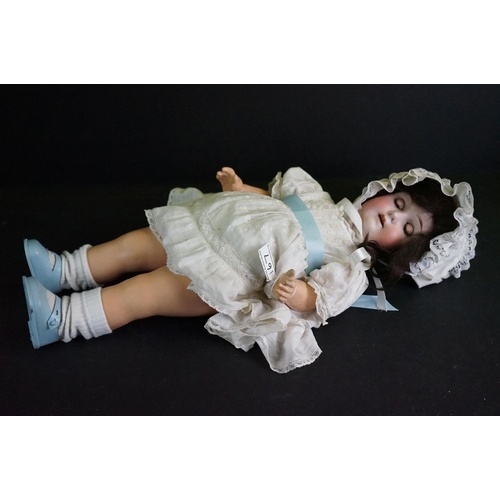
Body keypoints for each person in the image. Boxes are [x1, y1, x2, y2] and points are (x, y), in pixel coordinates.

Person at [22, 167, 478, 373]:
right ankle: (65, 269)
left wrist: (296, 293)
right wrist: (240, 188)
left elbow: (319, 301)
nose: (393, 215)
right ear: (384, 191)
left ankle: (62, 320)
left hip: (232, 272)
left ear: (401, 251)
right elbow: (278, 202)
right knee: (137, 245)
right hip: (212, 225)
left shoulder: (349, 264)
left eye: (406, 226)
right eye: (398, 202)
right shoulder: (317, 194)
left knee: (147, 292)